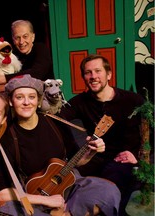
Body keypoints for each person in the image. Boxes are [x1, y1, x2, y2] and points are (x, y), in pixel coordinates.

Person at [0, 74, 121, 215]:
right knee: (4, 209)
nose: (26, 102)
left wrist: (91, 152)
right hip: (34, 197)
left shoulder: (56, 122)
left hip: (68, 185)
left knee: (109, 191)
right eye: (19, 97)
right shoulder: (7, 137)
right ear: (11, 101)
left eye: (32, 97)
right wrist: (47, 201)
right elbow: (1, 192)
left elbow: (75, 161)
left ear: (39, 100)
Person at [59, 54, 145, 216]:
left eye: (98, 71)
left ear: (109, 75)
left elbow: (150, 132)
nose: (93, 77)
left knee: (108, 191)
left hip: (123, 160)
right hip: (95, 158)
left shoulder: (133, 100)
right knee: (70, 184)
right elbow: (57, 119)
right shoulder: (80, 102)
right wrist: (73, 151)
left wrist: (138, 158)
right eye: (88, 72)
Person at [0, 19, 54, 85]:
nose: (21, 42)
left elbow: (37, 73)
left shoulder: (41, 48)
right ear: (13, 39)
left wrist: (5, 78)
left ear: (33, 37)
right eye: (17, 38)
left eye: (25, 36)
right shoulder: (11, 54)